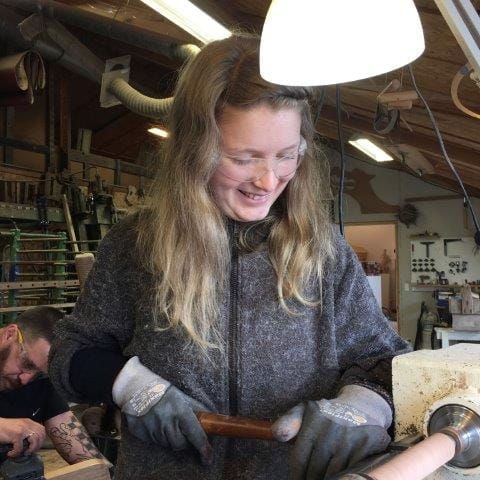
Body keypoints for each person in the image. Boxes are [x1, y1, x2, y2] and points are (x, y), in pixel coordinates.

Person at [48, 34, 410, 480]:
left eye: (286, 155)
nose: (268, 180)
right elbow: (70, 353)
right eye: (243, 158)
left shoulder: (324, 251)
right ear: (194, 149)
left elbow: (384, 359)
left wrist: (361, 406)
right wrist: (132, 386)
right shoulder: (136, 244)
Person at [0, 305, 106, 464]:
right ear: (10, 334)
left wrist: (102, 470)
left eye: (40, 372)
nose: (26, 379)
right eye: (27, 364)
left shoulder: (42, 379)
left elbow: (66, 427)